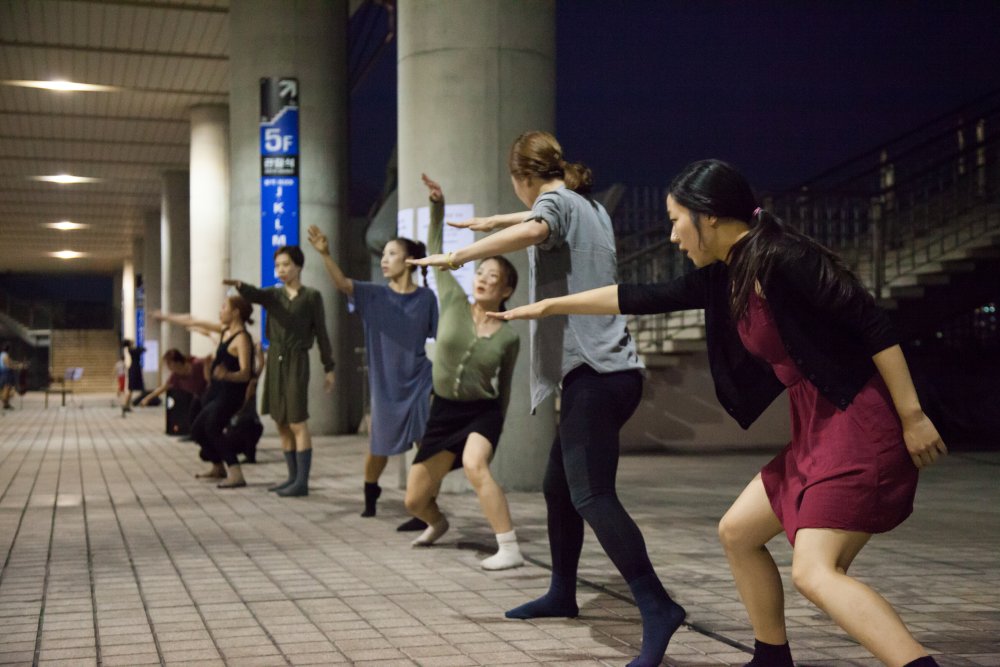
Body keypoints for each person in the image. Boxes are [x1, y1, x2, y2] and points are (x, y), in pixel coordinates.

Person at [491, 159, 945, 667]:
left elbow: (874, 325)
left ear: (707, 215)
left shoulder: (783, 258)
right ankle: (770, 658)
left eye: (675, 220)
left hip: (858, 423)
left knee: (814, 573)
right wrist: (550, 307)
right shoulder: (728, 273)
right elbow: (640, 296)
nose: (671, 236)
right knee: (738, 533)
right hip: (818, 426)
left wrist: (912, 416)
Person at [410, 132, 685, 667]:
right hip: (608, 371)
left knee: (592, 495)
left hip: (596, 373)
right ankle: (562, 592)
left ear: (523, 178)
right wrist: (492, 222)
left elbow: (539, 224)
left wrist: (461, 255)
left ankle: (657, 605)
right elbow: (541, 220)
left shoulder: (555, 206)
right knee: (557, 488)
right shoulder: (588, 206)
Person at [400, 174, 523, 569]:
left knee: (475, 465)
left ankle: (509, 548)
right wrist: (437, 205)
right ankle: (437, 523)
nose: (483, 279)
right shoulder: (453, 298)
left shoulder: (509, 336)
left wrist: (496, 425)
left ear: (506, 290)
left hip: (481, 413)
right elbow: (436, 248)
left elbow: (504, 388)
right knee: (414, 500)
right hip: (444, 411)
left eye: (493, 277)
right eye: (481, 272)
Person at [307, 220, 437, 519]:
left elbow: (434, 335)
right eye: (384, 255)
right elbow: (342, 284)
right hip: (386, 386)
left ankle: (426, 506)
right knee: (380, 448)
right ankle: (371, 491)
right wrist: (325, 253)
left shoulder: (426, 298)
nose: (384, 260)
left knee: (427, 445)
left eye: (392, 254)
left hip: (419, 380)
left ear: (409, 260)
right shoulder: (373, 295)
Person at [227, 246, 336, 497]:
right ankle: (292, 477)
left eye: (286, 264)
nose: (281, 270)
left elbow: (321, 333)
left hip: (297, 359)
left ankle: (302, 481)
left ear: (298, 266)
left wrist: (329, 367)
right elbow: (255, 294)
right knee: (281, 421)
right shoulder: (273, 295)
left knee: (297, 420)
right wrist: (241, 286)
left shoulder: (311, 296)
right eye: (278, 266)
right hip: (275, 359)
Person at [139, 349, 209, 416]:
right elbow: (164, 387)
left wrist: (207, 366)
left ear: (177, 363)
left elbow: (208, 367)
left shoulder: (197, 365)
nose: (168, 366)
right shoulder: (175, 376)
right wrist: (147, 398)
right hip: (196, 398)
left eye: (169, 363)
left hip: (208, 395)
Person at [120, 339, 146, 416]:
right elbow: (142, 349)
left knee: (131, 389)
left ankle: (127, 405)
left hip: (134, 368)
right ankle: (126, 405)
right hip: (135, 369)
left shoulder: (131, 350)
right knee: (131, 389)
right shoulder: (132, 350)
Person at [0, 344, 17, 410]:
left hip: (2, 373)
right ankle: (5, 403)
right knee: (7, 387)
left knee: (5, 388)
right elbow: (8, 365)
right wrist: (15, 367)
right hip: (6, 373)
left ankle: (6, 404)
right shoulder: (5, 355)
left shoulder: (1, 354)